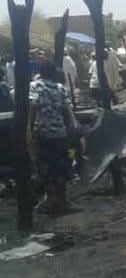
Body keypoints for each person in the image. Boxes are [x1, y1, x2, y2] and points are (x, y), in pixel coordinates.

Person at [29, 61, 78, 214]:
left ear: (41, 72)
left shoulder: (35, 86)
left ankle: (50, 201)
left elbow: (33, 107)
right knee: (61, 168)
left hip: (43, 134)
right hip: (60, 135)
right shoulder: (60, 88)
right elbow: (68, 111)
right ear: (53, 73)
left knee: (45, 168)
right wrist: (73, 129)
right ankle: (63, 201)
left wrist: (29, 130)